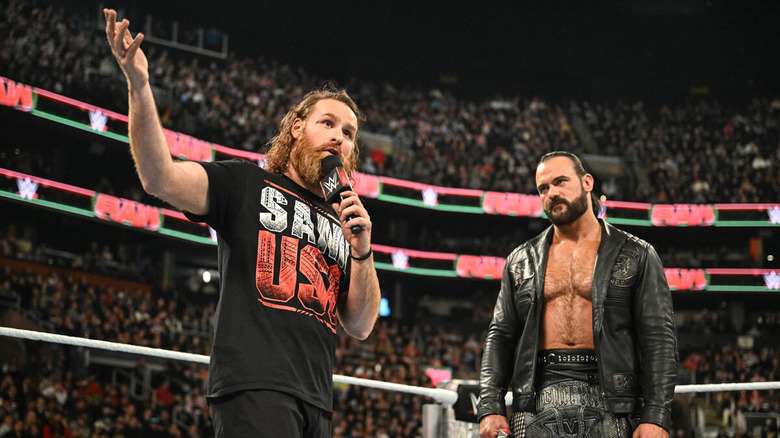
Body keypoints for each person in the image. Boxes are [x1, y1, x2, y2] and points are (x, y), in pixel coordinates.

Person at [104, 9, 381, 437]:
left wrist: (362, 250)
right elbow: (161, 177)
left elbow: (360, 326)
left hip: (318, 402)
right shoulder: (245, 182)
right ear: (295, 128)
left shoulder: (344, 220)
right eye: (327, 123)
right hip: (255, 386)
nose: (338, 138)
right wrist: (140, 87)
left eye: (348, 133)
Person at [477, 151, 678, 438]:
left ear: (587, 182)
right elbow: (500, 336)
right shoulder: (520, 260)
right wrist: (490, 406)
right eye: (543, 188)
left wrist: (657, 415)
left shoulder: (637, 254)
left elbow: (659, 337)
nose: (552, 193)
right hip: (535, 401)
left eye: (560, 182)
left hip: (613, 400)